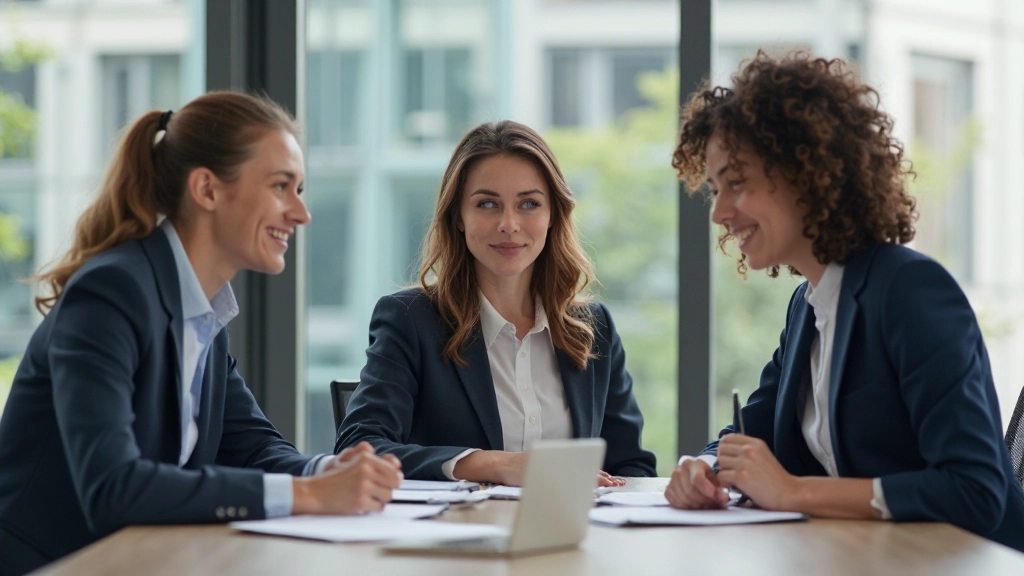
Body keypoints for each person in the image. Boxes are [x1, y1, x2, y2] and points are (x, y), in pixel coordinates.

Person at [0, 92, 403, 575]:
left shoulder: (202, 310)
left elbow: (253, 448)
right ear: (207, 190)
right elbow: (113, 487)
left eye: (300, 189)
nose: (301, 212)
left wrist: (326, 471)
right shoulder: (113, 292)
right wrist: (308, 493)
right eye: (281, 186)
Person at [665, 51, 1024, 551]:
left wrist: (794, 491)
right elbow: (752, 432)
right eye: (714, 188)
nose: (719, 212)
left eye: (737, 182)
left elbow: (974, 488)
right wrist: (701, 467)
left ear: (806, 171)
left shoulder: (910, 290)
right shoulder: (808, 307)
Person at [336, 120, 656, 485]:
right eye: (487, 204)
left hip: (571, 536)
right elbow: (358, 448)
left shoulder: (592, 328)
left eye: (529, 204)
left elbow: (633, 469)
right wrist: (488, 464)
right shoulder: (411, 320)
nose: (509, 223)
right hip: (455, 536)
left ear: (553, 215)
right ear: (458, 215)